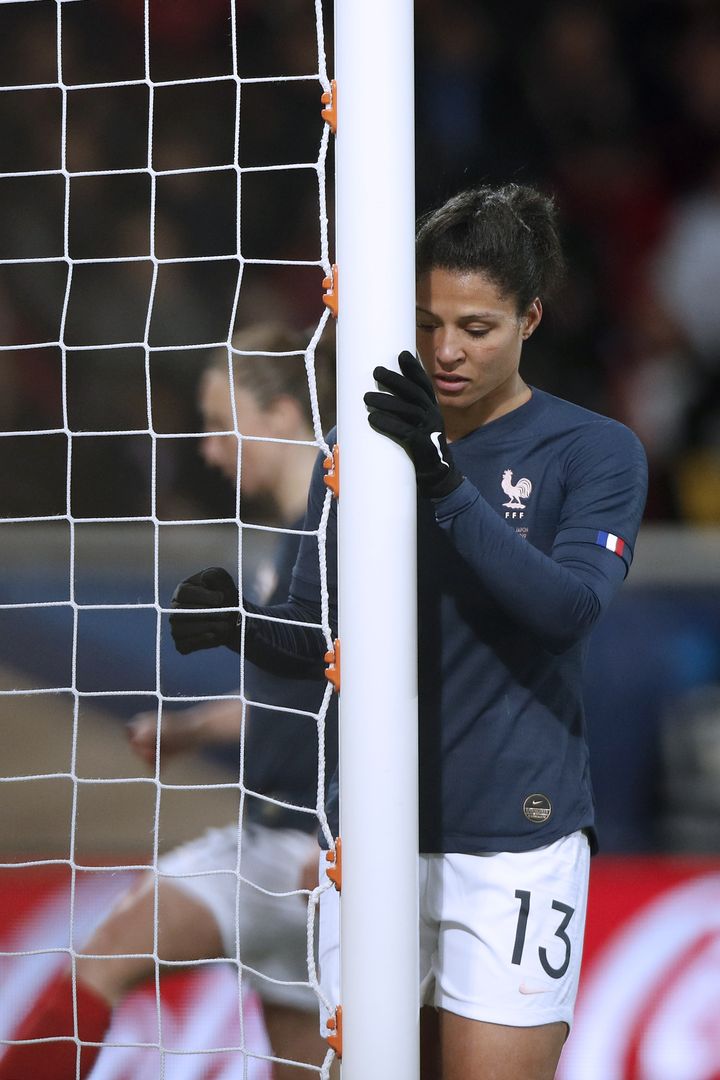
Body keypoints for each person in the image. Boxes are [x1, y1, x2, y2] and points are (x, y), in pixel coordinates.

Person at [166, 183, 648, 1080]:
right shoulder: (360, 447)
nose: (447, 350)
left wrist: (439, 478)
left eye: (477, 326)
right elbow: (324, 646)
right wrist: (241, 624)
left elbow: (567, 611)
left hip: (514, 845)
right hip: (375, 839)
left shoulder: (593, 451)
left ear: (531, 318)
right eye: (428, 322)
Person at [0, 322, 338, 1080]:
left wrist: (350, 839)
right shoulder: (280, 542)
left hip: (323, 861)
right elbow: (290, 698)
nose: (211, 452)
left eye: (222, 427)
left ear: (284, 411)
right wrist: (191, 729)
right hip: (266, 840)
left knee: (104, 963)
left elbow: (391, 693)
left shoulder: (347, 526)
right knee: (102, 960)